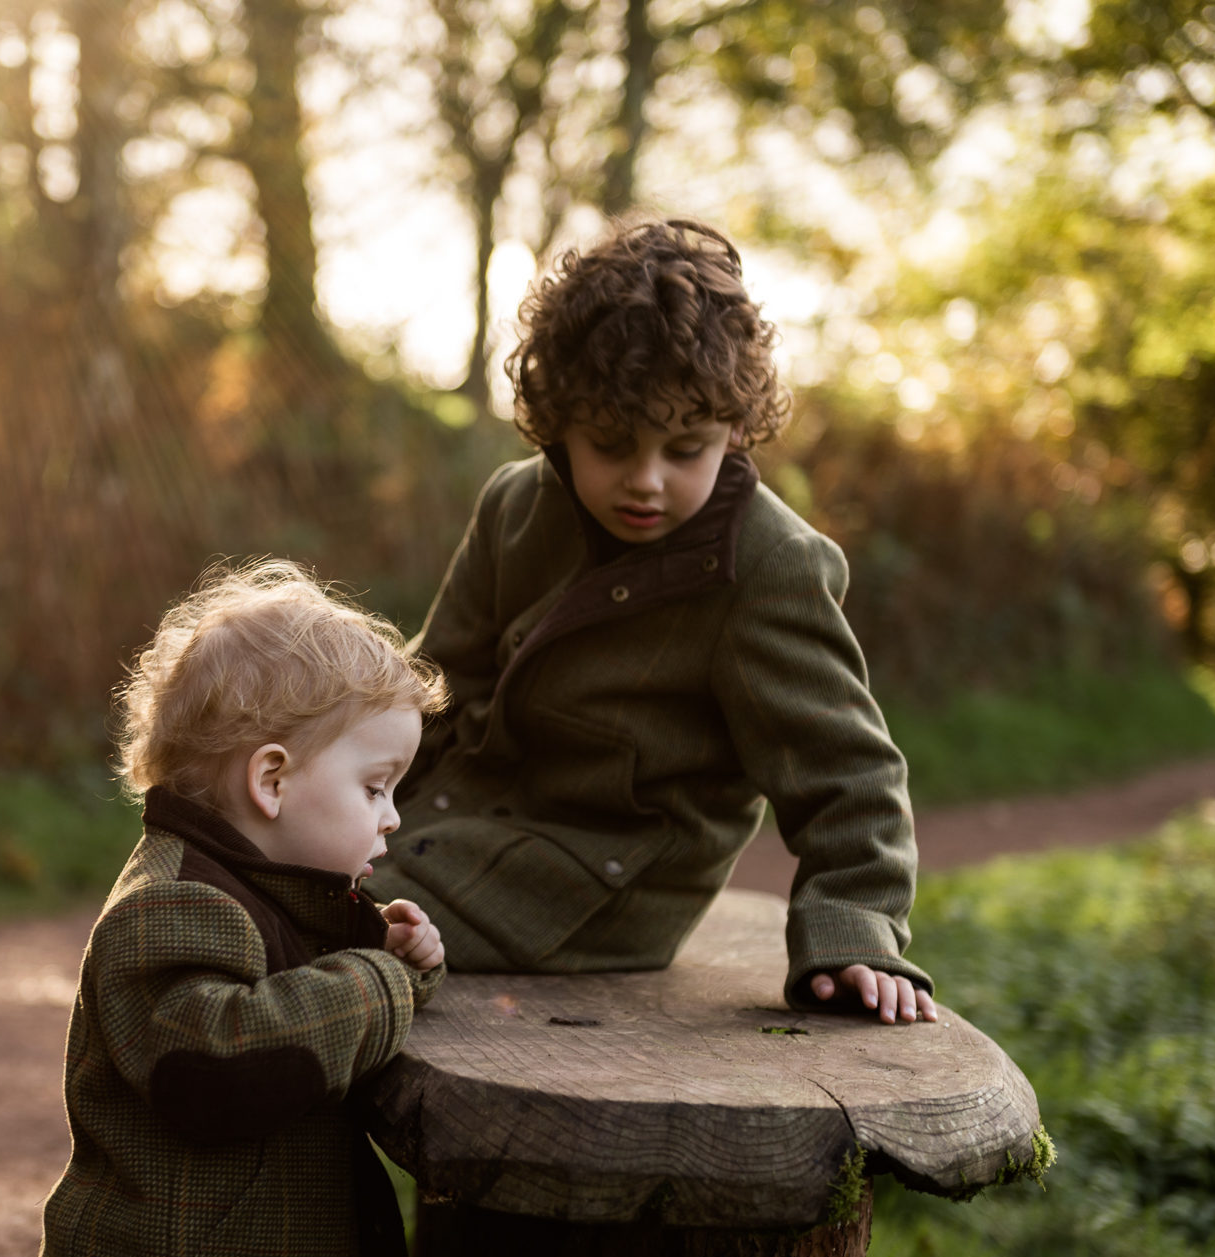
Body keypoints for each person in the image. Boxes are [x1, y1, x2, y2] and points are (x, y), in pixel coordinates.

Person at [363, 216, 938, 1025]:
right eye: (611, 442)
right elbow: (434, 684)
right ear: (558, 418)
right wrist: (333, 789)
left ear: (735, 430)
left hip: (602, 883)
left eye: (684, 448)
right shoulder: (515, 504)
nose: (646, 480)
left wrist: (852, 934)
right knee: (270, 869)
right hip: (459, 820)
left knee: (335, 925)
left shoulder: (769, 567)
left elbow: (850, 779)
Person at [15, 561, 448, 1257]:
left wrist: (386, 949)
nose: (392, 819)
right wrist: (384, 980)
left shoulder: (265, 890)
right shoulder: (173, 904)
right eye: (377, 787)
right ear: (272, 779)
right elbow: (223, 1058)